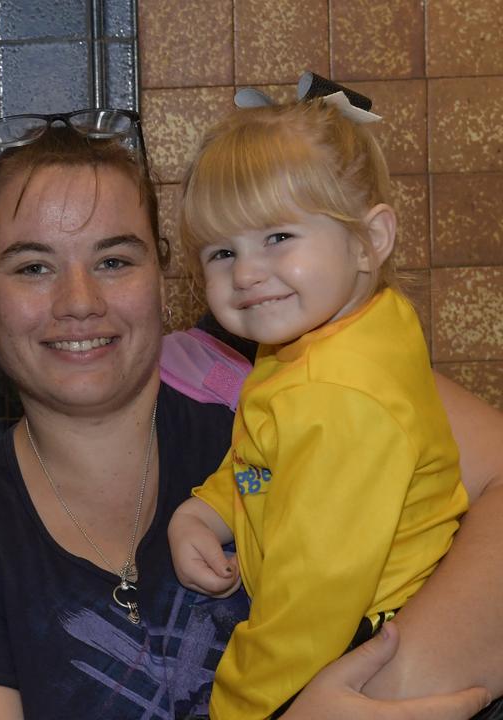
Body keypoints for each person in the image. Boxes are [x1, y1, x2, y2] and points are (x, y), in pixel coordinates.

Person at [0, 113, 503, 719]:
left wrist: (399, 681)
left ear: (164, 277)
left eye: (115, 261)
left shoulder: (290, 390)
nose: (78, 302)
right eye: (33, 267)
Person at [167, 97, 466, 717]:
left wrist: (239, 708)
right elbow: (271, 453)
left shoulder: (335, 397)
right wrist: (210, 509)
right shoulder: (348, 326)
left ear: (369, 242)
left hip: (359, 639)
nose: (247, 273)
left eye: (278, 236)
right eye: (222, 252)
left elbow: (310, 600)